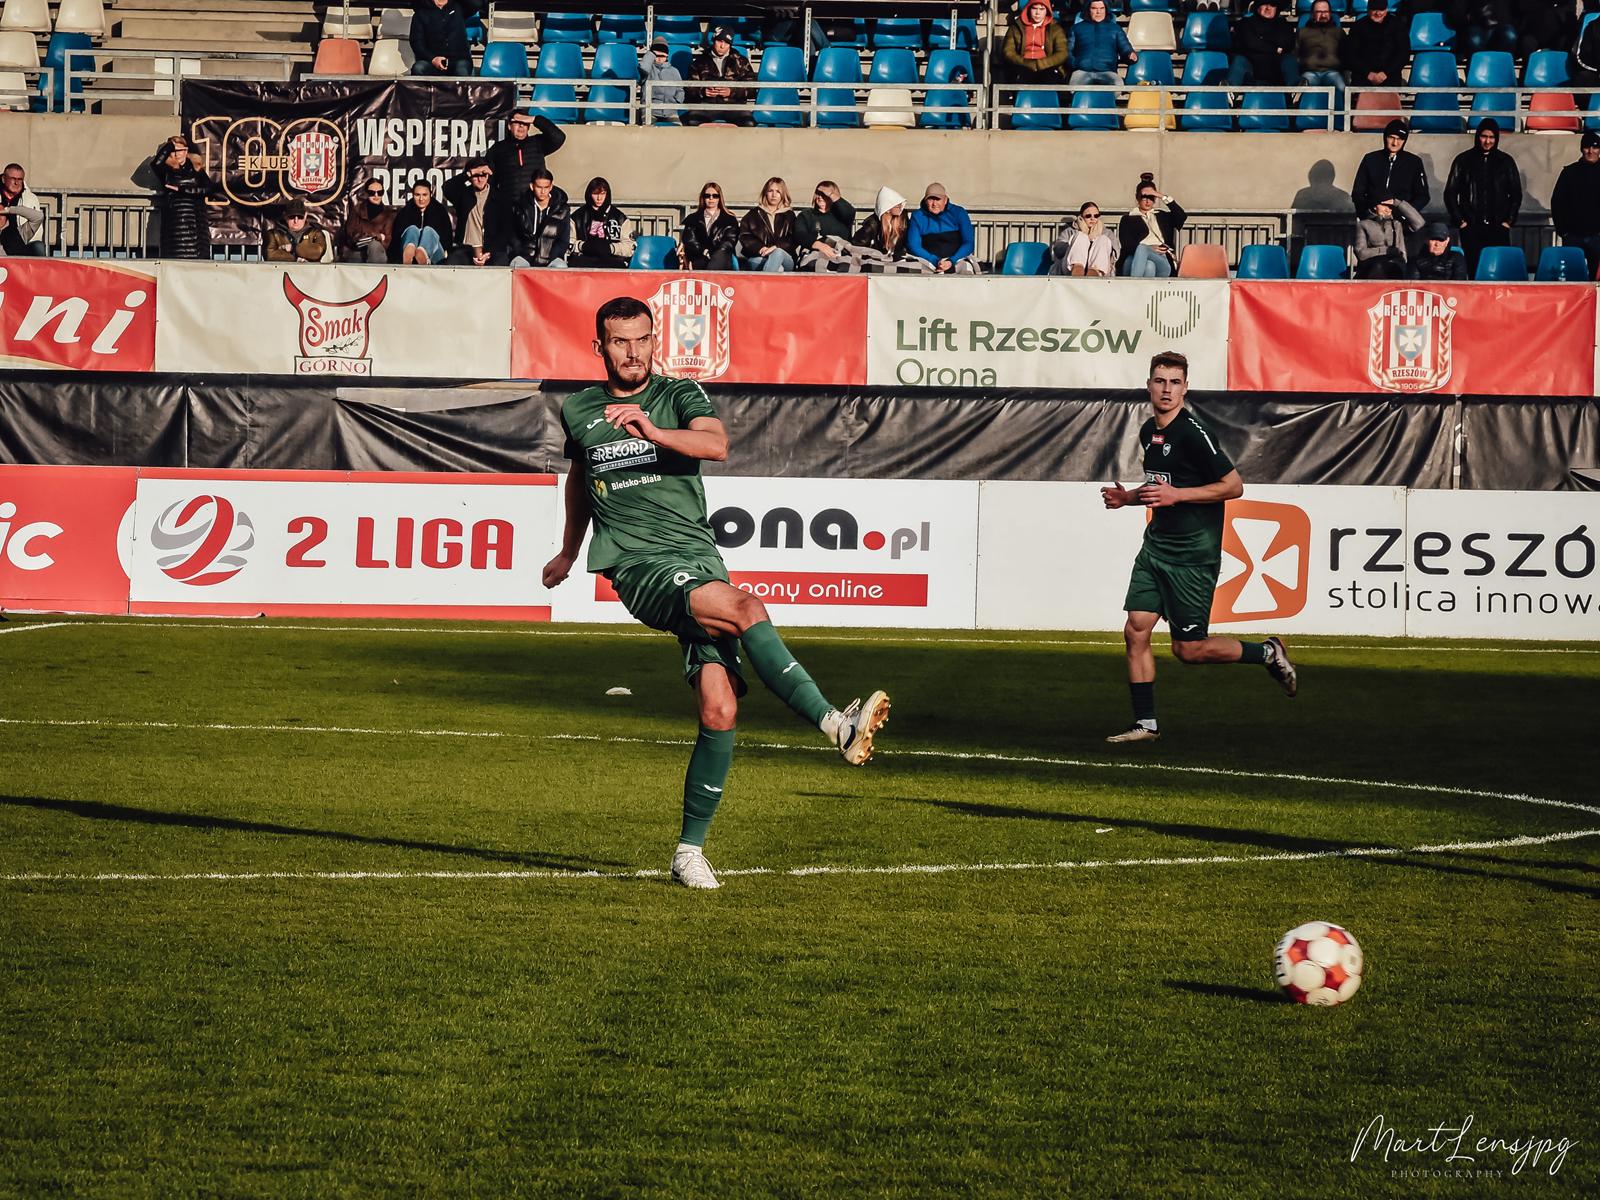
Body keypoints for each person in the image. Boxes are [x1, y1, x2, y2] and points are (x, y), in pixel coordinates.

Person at [541, 296, 891, 889]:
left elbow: (715, 445)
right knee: (747, 607)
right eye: (621, 341)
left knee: (719, 706)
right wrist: (570, 551)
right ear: (599, 347)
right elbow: (582, 479)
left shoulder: (678, 394)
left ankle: (688, 853)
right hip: (638, 564)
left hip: (699, 559)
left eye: (643, 339)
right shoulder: (578, 409)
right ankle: (836, 724)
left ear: (654, 341)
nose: (633, 352)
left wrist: (654, 431)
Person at [1100, 350, 1297, 745]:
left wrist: (1178, 496)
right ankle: (1146, 725)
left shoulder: (1193, 433)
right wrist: (1129, 499)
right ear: (1149, 386)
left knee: (1188, 650)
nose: (1166, 389)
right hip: (1156, 548)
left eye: (1174, 382)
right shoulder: (1149, 432)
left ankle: (1267, 652)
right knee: (1135, 630)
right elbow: (1160, 488)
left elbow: (1233, 486)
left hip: (1192, 556)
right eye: (1160, 381)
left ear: (1185, 388)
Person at [1445, 117, 1521, 276]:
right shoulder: (1463, 160)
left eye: (1491, 137)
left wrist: (1509, 221)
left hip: (1498, 227)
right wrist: (1461, 221)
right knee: (1474, 270)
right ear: (1477, 136)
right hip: (1471, 228)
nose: (1487, 141)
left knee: (1500, 271)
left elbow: (1516, 193)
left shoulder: (1506, 162)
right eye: (1484, 136)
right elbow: (1450, 192)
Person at [485, 109, 566, 253]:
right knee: (513, 252)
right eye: (517, 123)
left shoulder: (538, 143)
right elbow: (490, 180)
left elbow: (559, 137)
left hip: (535, 207)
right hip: (510, 211)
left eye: (525, 123)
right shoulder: (498, 149)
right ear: (509, 126)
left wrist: (535, 119)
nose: (521, 126)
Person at [1351, 119, 1430, 220]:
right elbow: (1357, 193)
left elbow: (1423, 196)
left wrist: (1403, 212)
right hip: (1373, 219)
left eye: (1400, 139)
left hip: (1402, 222)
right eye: (1391, 137)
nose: (1395, 143)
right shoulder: (1370, 159)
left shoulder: (1414, 162)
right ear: (1385, 137)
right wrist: (1374, 207)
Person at [150, 136, 212, 260]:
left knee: (198, 260)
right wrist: (170, 145)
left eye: (180, 150)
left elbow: (209, 188)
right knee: (177, 257)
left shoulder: (197, 168)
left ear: (186, 151)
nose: (177, 154)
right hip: (176, 222)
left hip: (197, 223)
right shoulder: (167, 170)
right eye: (173, 151)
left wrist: (181, 190)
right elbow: (155, 163)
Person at [1551, 131, 1600, 279]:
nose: (1590, 151)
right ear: (1581, 149)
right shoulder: (1569, 172)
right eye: (1587, 147)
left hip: (1597, 237)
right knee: (1571, 278)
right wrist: (1563, 231)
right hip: (1572, 236)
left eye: (1595, 147)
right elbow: (1557, 202)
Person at [1118, 174, 1185, 278]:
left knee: (1146, 258)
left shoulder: (1162, 216)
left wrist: (1162, 196)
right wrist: (1149, 248)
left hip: (1161, 259)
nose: (1148, 201)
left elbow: (1181, 217)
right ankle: (1140, 286)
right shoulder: (1128, 218)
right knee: (1149, 265)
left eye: (1151, 197)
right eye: (1144, 197)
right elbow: (1126, 245)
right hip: (1134, 258)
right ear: (1137, 197)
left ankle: (1133, 284)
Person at [686, 26, 755, 126]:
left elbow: (752, 88)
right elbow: (689, 88)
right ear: (713, 41)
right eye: (719, 41)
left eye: (726, 43)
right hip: (707, 105)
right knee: (693, 121)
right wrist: (703, 91)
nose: (722, 46)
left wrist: (732, 91)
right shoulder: (699, 62)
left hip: (734, 105)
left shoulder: (741, 61)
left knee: (748, 122)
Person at [850, 185, 927, 273]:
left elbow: (909, 243)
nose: (900, 206)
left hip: (898, 260)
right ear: (887, 208)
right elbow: (857, 245)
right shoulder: (872, 224)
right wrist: (873, 255)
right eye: (897, 204)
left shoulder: (903, 220)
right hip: (877, 261)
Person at [442, 158, 504, 266]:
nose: (480, 179)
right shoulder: (463, 194)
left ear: (488, 176)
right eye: (476, 176)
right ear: (470, 178)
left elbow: (505, 231)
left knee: (502, 265)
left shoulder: (499, 198)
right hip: (465, 249)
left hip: (491, 250)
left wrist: (489, 253)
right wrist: (471, 172)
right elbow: (447, 187)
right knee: (452, 264)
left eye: (483, 175)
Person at [907, 182, 977, 274]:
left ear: (945, 200)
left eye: (938, 199)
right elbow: (914, 246)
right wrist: (936, 261)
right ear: (925, 200)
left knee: (966, 268)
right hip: (927, 260)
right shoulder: (917, 216)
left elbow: (968, 242)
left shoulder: (959, 212)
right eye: (930, 199)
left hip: (956, 259)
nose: (934, 203)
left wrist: (951, 261)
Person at [508, 169, 570, 268]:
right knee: (517, 266)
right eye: (539, 187)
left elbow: (564, 239)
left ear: (551, 187)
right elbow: (514, 235)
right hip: (525, 255)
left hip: (551, 256)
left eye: (546, 187)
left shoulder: (562, 209)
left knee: (560, 267)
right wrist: (519, 252)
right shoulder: (521, 206)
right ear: (532, 186)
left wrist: (552, 255)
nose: (542, 191)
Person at [569, 177, 635, 269]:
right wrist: (583, 246)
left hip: (612, 261)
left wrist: (611, 248)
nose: (599, 198)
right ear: (589, 194)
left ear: (607, 194)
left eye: (602, 194)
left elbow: (630, 247)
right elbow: (568, 243)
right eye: (595, 194)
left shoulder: (620, 218)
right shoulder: (577, 217)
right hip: (584, 260)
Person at [1341, 0, 1408, 89]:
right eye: (1374, 9)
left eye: (1381, 10)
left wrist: (1386, 73)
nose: (1377, 13)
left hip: (1390, 76)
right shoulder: (1358, 27)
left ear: (1386, 10)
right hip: (1363, 76)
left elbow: (1403, 54)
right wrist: (1368, 73)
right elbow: (1350, 55)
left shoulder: (1398, 26)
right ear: (1368, 9)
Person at [1068, 0, 1136, 88]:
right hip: (1082, 71)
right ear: (1088, 9)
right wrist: (1076, 64)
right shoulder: (1076, 28)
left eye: (1102, 8)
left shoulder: (1115, 29)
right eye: (1094, 8)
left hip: (1108, 72)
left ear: (1106, 9)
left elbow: (1125, 48)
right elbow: (1068, 51)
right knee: (1073, 88)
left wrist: (1130, 55)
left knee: (1118, 85)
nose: (1098, 12)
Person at [1229, 0, 1296, 87]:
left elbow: (1288, 43)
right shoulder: (1245, 23)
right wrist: (1275, 48)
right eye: (1264, 4)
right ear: (1257, 6)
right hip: (1250, 71)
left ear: (1277, 8)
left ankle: (1295, 88)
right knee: (1239, 60)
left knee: (1289, 59)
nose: (1268, 8)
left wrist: (1261, 40)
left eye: (1272, 5)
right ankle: (1230, 89)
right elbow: (1251, 43)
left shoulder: (1284, 25)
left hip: (1277, 71)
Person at [793, 180, 857, 272]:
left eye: (824, 194)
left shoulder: (842, 215)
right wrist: (819, 245)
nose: (820, 197)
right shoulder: (806, 214)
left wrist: (831, 194)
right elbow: (799, 234)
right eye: (818, 193)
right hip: (814, 256)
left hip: (840, 257)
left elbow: (850, 212)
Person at [1354, 197, 1424, 279]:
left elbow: (1419, 223)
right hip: (1371, 268)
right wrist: (1388, 250)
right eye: (1384, 206)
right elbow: (1361, 253)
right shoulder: (1363, 224)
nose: (1388, 210)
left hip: (1396, 268)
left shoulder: (1397, 224)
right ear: (1375, 206)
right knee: (1378, 267)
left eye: (1391, 207)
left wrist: (1398, 203)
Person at [738, 176, 797, 272]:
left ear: (783, 194)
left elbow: (794, 238)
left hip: (785, 258)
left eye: (778, 191)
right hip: (760, 256)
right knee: (778, 269)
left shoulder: (789, 215)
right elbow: (745, 236)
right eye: (770, 191)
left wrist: (775, 247)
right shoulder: (753, 214)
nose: (774, 195)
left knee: (778, 253)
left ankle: (765, 280)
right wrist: (761, 248)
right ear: (765, 192)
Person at [1002, 1, 1070, 86]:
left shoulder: (1055, 28)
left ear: (1047, 11)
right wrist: (1025, 62)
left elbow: (1062, 53)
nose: (1037, 13)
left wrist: (1041, 64)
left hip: (1047, 67)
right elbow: (1008, 51)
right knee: (1020, 78)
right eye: (1034, 8)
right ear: (1029, 9)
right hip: (1022, 66)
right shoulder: (1016, 27)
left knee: (1050, 78)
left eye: (1042, 9)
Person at [680, 181, 740, 271]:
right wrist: (703, 251)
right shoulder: (693, 219)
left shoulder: (729, 219)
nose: (711, 198)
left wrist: (712, 252)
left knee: (719, 258)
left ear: (719, 198)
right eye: (707, 196)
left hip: (721, 256)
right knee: (701, 262)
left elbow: (729, 242)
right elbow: (690, 240)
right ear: (703, 198)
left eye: (715, 196)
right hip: (699, 256)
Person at [1295, 0, 1347, 105]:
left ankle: (1341, 114)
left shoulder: (1339, 32)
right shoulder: (1302, 32)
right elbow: (1295, 53)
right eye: (1319, 12)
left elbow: (1346, 55)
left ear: (1330, 13)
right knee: (1306, 90)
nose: (1323, 15)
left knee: (1343, 89)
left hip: (1332, 72)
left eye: (1326, 12)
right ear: (1312, 14)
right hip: (1310, 73)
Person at [390, 179, 453, 265]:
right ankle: (409, 252)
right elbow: (396, 239)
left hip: (435, 257)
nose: (421, 199)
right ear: (413, 195)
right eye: (417, 195)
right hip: (408, 254)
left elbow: (447, 239)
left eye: (424, 195)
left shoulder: (440, 212)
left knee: (428, 231)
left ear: (431, 194)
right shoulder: (405, 212)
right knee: (412, 229)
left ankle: (423, 253)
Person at [1048, 200, 1117, 277]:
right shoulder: (1070, 231)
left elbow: (1116, 254)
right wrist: (1074, 245)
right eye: (1088, 216)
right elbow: (1058, 250)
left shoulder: (1107, 233)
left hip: (1101, 269)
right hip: (1070, 268)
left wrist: (1093, 244)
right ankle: (1077, 270)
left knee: (1102, 239)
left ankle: (1094, 272)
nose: (1092, 218)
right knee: (1081, 237)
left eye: (1096, 216)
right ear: (1081, 217)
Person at [409, 0, 472, 77]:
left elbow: (477, 4)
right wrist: (433, 59)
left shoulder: (459, 7)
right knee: (418, 68)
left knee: (461, 70)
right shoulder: (421, 13)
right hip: (431, 62)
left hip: (459, 60)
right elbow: (416, 42)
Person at [341, 178, 394, 263]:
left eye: (380, 192)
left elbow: (387, 242)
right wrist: (377, 236)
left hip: (378, 253)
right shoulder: (357, 210)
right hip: (357, 251)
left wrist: (369, 238)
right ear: (366, 193)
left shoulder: (388, 215)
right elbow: (352, 236)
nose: (376, 195)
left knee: (375, 246)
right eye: (372, 193)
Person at [0, 162, 47, 257]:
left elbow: (38, 217)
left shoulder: (30, 198)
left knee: (38, 247)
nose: (16, 183)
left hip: (21, 241)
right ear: (4, 179)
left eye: (19, 179)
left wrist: (8, 209)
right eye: (13, 179)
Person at [264, 199, 332, 263]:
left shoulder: (315, 233)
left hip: (311, 270)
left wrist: (293, 248)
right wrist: (296, 259)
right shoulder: (274, 234)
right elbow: (270, 255)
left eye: (300, 217)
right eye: (292, 217)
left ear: (305, 216)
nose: (296, 221)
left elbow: (318, 251)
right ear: (285, 215)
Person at [640, 38, 685, 125]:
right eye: (657, 56)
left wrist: (677, 101)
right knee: (647, 128)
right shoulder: (648, 69)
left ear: (667, 56)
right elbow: (643, 67)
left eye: (662, 56)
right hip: (650, 109)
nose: (659, 59)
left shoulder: (674, 71)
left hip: (670, 110)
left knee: (678, 128)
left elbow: (680, 89)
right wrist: (651, 53)